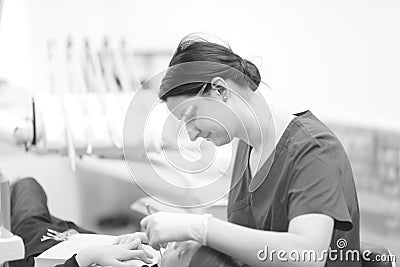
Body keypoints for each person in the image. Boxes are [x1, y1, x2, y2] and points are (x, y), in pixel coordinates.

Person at [139, 34, 361, 267]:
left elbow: (307, 255)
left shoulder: (313, 148)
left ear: (219, 90)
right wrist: (172, 236)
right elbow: (250, 237)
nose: (192, 135)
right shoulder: (246, 146)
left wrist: (199, 228)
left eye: (191, 117)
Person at [9, 177, 241, 267]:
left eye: (180, 253)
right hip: (70, 234)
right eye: (185, 243)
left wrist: (89, 257)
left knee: (26, 185)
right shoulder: (158, 260)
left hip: (40, 242)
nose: (176, 244)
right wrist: (146, 241)